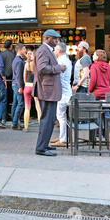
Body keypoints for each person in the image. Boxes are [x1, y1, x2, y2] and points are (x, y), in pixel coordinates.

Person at [33, 29, 66, 157]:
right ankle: (41, 148)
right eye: (54, 39)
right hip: (47, 90)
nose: (57, 41)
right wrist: (59, 68)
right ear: (47, 38)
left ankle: (44, 144)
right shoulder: (43, 50)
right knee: (47, 119)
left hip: (49, 90)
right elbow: (42, 68)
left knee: (50, 119)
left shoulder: (46, 50)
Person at [50, 43, 73, 148]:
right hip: (65, 91)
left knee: (61, 116)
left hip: (62, 92)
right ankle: (61, 137)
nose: (54, 51)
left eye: (55, 49)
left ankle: (63, 139)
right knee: (61, 116)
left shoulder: (61, 61)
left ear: (59, 50)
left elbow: (57, 76)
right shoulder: (67, 60)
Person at [23, 48, 42, 132]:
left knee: (27, 108)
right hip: (35, 87)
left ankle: (26, 127)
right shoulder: (37, 65)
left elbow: (24, 76)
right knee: (38, 107)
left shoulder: (26, 64)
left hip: (27, 86)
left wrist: (26, 84)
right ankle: (41, 126)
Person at [11, 43, 26, 130]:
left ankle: (14, 121)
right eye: (24, 49)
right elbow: (19, 75)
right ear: (20, 50)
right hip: (17, 84)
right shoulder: (19, 61)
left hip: (14, 84)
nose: (25, 51)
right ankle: (15, 122)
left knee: (15, 103)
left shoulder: (16, 60)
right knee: (20, 104)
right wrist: (21, 87)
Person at [1, 40, 16, 121]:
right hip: (12, 79)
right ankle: (13, 116)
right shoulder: (13, 55)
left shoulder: (1, 55)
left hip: (3, 80)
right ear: (11, 46)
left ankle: (4, 116)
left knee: (4, 100)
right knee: (13, 100)